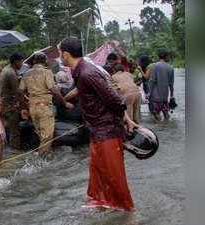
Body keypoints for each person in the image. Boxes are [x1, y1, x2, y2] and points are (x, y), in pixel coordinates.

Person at [59, 37, 137, 211]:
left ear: (65, 54)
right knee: (99, 170)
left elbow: (116, 101)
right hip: (97, 130)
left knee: (114, 176)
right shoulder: (80, 72)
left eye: (59, 53)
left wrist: (125, 119)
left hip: (107, 131)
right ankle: (103, 202)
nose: (59, 57)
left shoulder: (87, 73)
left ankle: (128, 213)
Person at [19, 52, 73, 156]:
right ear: (45, 61)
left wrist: (24, 107)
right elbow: (54, 90)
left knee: (41, 135)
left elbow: (20, 92)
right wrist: (65, 103)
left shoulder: (26, 73)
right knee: (47, 137)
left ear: (34, 61)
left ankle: (47, 154)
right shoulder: (47, 72)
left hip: (32, 108)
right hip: (44, 107)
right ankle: (41, 162)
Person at [0, 52, 25, 151]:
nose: (22, 65)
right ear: (16, 61)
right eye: (21, 62)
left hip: (4, 105)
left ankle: (5, 150)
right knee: (15, 132)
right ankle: (15, 153)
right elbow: (18, 92)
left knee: (7, 130)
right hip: (10, 106)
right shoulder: (11, 73)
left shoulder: (6, 70)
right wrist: (23, 106)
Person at [148, 49, 175, 121]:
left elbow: (152, 81)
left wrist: (149, 93)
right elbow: (171, 84)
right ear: (166, 57)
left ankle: (160, 128)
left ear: (158, 57)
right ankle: (166, 126)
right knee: (166, 113)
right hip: (165, 96)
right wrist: (172, 96)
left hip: (155, 96)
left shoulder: (155, 66)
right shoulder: (171, 68)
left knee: (155, 113)